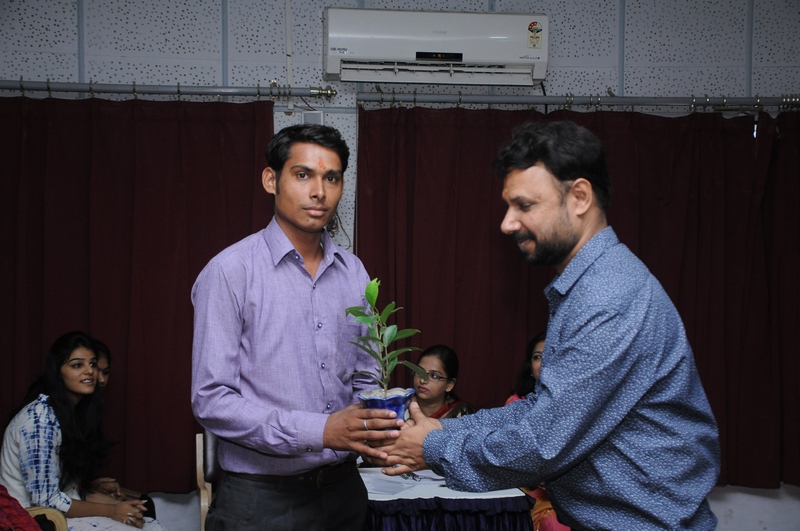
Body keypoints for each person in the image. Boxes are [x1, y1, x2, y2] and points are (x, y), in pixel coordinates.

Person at [377, 121, 721, 530]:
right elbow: (541, 409)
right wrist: (446, 429)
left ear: (580, 197)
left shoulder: (606, 296)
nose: (507, 223)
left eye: (524, 206)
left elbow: (542, 443)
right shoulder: (586, 287)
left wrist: (436, 445)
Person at [191, 123, 399, 531]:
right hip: (260, 499)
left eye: (332, 178)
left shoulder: (354, 272)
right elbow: (211, 399)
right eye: (303, 175)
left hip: (344, 491)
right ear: (272, 180)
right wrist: (320, 430)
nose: (319, 191)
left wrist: (377, 421)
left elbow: (366, 375)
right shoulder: (231, 272)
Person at [0, 331, 164, 530]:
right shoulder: (40, 419)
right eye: (77, 365)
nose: (90, 372)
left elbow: (59, 482)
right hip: (31, 519)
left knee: (150, 524)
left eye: (92, 364)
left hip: (58, 514)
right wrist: (112, 511)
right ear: (57, 372)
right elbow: (46, 500)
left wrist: (90, 487)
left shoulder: (69, 413)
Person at [84, 339, 157, 520]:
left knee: (145, 503)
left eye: (105, 372)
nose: (101, 379)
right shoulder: (46, 414)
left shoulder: (89, 408)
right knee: (138, 510)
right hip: (58, 502)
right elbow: (50, 492)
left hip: (74, 490)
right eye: (96, 370)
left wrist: (91, 485)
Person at [410, 345, 474, 419]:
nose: (422, 380)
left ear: (449, 384)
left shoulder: (463, 414)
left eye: (434, 376)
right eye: (419, 372)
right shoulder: (401, 405)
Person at [505, 331, 546, 405]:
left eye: (551, 355)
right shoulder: (516, 403)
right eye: (538, 357)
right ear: (530, 367)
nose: (543, 363)